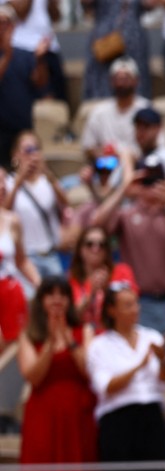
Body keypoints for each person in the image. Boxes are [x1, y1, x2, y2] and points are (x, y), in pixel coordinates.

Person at [16, 277, 104, 471]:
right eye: (50, 294)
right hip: (44, 417)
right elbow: (33, 376)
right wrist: (50, 346)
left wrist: (68, 340)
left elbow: (89, 371)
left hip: (79, 415)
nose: (56, 300)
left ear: (69, 300)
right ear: (41, 301)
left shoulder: (83, 331)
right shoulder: (29, 335)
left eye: (62, 294)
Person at [86, 282, 165, 471]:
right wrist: (140, 364)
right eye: (127, 305)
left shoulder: (153, 337)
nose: (135, 309)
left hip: (151, 417)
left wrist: (162, 361)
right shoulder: (99, 346)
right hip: (118, 421)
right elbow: (107, 387)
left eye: (135, 303)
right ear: (111, 310)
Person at [91, 154, 165, 345]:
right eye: (146, 181)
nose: (151, 187)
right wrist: (124, 188)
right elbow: (97, 223)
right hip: (138, 303)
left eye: (157, 181)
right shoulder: (127, 214)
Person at [5, 130, 70, 279]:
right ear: (15, 154)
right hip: (25, 257)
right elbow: (4, 213)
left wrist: (49, 175)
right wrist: (19, 181)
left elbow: (66, 204)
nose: (32, 155)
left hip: (50, 254)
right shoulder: (8, 183)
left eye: (36, 149)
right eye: (27, 150)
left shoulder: (47, 182)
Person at [81, 57, 162, 161]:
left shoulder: (147, 109)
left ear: (136, 80)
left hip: (140, 167)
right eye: (117, 79)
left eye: (126, 78)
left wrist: (128, 157)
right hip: (106, 169)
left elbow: (159, 147)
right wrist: (104, 153)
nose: (121, 83)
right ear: (111, 81)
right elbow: (88, 147)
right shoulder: (99, 112)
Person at [0, 5, 48, 169]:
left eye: (6, 23)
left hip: (21, 126)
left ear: (13, 26)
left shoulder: (25, 54)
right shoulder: (8, 55)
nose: (3, 27)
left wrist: (40, 60)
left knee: (24, 171)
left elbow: (40, 82)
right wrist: (6, 55)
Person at [81, 0, 154, 100]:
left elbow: (150, 5)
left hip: (133, 40)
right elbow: (86, 5)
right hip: (104, 40)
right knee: (101, 81)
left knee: (133, 75)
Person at [68, 225, 137, 329]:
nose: (96, 249)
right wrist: (90, 295)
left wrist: (106, 290)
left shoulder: (122, 271)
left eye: (101, 244)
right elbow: (72, 318)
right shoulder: (72, 279)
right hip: (83, 338)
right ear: (80, 249)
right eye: (89, 244)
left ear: (107, 249)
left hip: (115, 335)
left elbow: (130, 308)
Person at [0, 168, 40, 343]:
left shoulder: (12, 220)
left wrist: (40, 285)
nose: (2, 187)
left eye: (4, 181)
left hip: (10, 294)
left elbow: (21, 261)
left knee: (14, 352)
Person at [133, 107, 165, 178]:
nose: (141, 132)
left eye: (146, 127)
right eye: (138, 126)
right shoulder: (134, 156)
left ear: (158, 128)